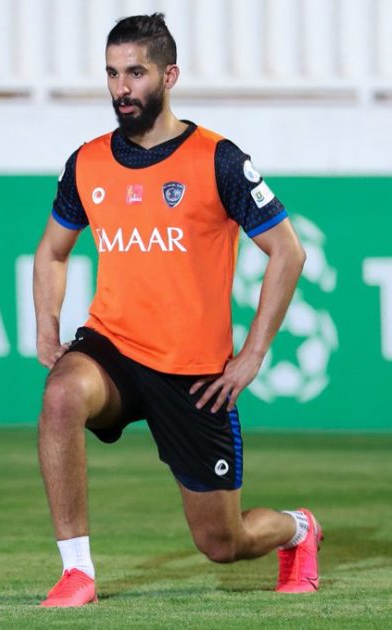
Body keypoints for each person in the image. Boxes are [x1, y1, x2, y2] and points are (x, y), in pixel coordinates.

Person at [33, 13, 322, 608]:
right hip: (113, 346)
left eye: (135, 73)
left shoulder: (219, 159)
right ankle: (77, 573)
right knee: (61, 395)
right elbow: (53, 251)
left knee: (223, 543)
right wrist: (47, 327)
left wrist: (252, 356)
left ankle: (298, 529)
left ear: (169, 76)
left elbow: (287, 252)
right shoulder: (87, 162)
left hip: (194, 372)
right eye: (112, 73)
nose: (121, 88)